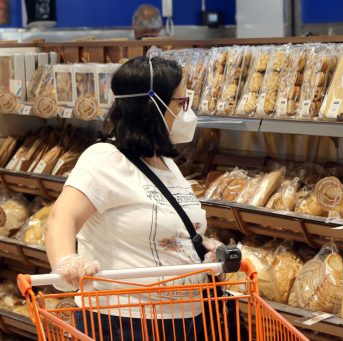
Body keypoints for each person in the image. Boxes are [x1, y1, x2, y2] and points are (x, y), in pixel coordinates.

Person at [45, 56, 219, 339]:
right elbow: (61, 216)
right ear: (153, 106)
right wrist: (66, 259)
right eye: (180, 103)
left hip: (184, 319)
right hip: (123, 320)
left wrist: (204, 248)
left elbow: (174, 228)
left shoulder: (166, 164)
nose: (187, 112)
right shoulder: (105, 159)